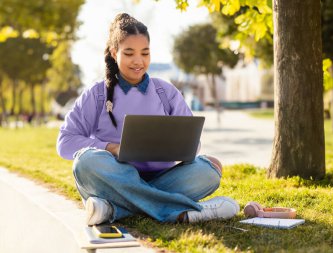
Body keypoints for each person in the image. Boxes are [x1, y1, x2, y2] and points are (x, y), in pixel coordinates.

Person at [56, 13, 239, 225]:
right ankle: (182, 212)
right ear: (115, 53)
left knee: (211, 168)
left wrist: (176, 148)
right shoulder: (97, 94)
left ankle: (114, 209)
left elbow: (193, 144)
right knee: (85, 162)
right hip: (115, 178)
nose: (138, 61)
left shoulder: (165, 91)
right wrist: (111, 148)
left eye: (145, 53)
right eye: (129, 53)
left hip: (164, 177)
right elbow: (65, 142)